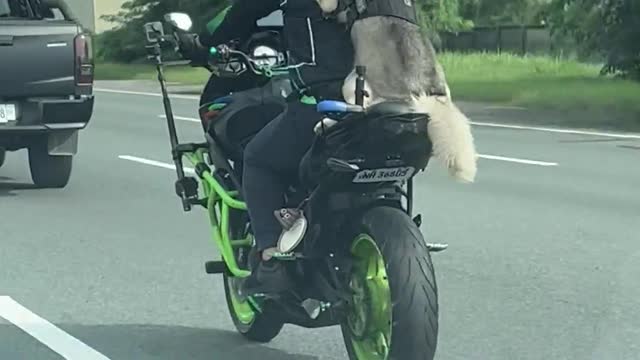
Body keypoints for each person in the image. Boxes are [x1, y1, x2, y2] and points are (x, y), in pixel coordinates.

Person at [177, 0, 354, 296]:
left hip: (327, 101)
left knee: (259, 159)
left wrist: (201, 43)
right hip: (394, 102)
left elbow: (243, 11)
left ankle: (271, 260)